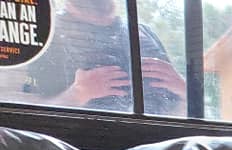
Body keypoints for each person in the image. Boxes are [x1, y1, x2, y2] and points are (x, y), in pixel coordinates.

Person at [21, 0, 185, 115]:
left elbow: (179, 116)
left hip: (154, 148)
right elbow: (23, 120)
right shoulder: (45, 37)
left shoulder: (144, 34)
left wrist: (183, 89)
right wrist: (77, 94)